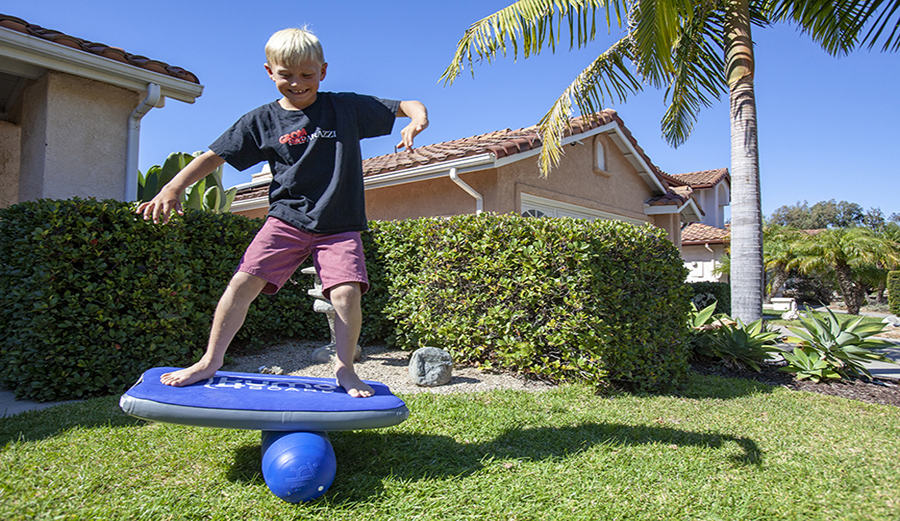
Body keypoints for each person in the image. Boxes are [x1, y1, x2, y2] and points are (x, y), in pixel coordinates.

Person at [137, 27, 428, 397]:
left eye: (307, 75)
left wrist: (417, 120)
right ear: (269, 72)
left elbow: (407, 104)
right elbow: (214, 156)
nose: (297, 83)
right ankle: (210, 360)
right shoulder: (260, 121)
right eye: (286, 74)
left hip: (339, 224)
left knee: (346, 294)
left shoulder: (344, 108)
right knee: (242, 284)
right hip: (287, 219)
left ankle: (345, 369)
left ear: (323, 71)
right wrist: (173, 187)